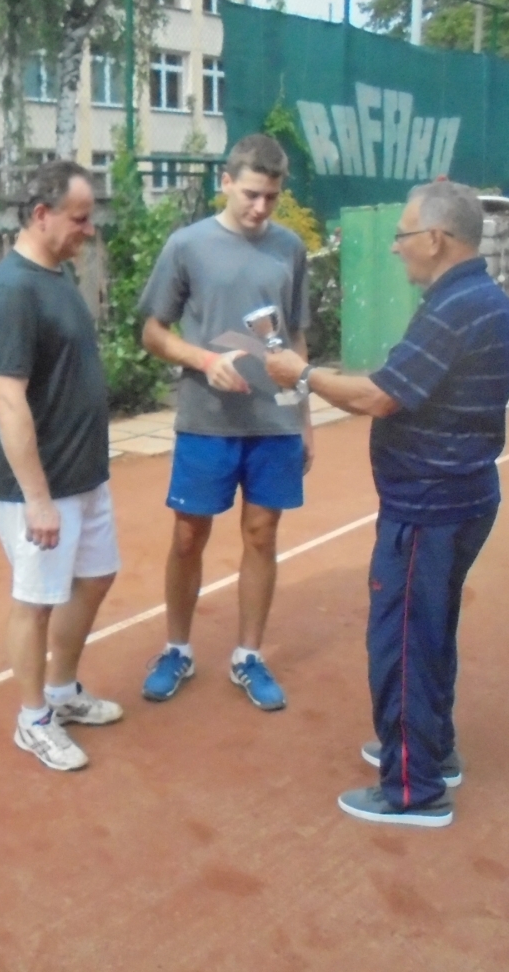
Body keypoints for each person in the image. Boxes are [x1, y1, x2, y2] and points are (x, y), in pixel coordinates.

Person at [265, 180, 509, 827]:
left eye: (403, 235)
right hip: (458, 497)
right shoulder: (478, 299)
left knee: (403, 642)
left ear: (436, 239)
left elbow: (380, 395)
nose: (397, 249)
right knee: (429, 635)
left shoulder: (457, 308)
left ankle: (413, 787)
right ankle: (430, 750)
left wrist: (301, 375)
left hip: (430, 506)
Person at [135, 134, 313, 711]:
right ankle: (177, 649)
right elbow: (153, 332)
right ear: (227, 183)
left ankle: (248, 656)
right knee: (189, 536)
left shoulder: (290, 248)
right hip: (206, 420)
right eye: (253, 195)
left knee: (262, 535)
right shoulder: (187, 246)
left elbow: (298, 336)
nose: (261, 208)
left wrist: (304, 417)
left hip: (274, 421)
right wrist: (206, 360)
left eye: (273, 198)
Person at [0, 159, 123, 773]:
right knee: (35, 600)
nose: (88, 231)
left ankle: (61, 692)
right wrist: (36, 498)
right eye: (80, 218)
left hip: (84, 473)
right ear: (42, 215)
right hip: (39, 484)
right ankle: (32, 717)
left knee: (97, 577)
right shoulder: (12, 289)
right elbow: (7, 396)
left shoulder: (57, 275)